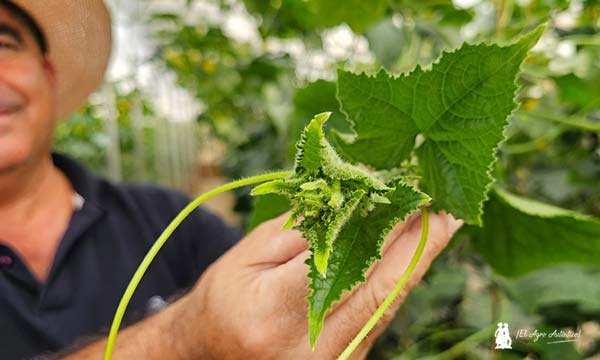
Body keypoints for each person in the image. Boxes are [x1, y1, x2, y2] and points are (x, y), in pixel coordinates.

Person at [0, 1, 463, 359]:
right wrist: (187, 339)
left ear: (48, 71)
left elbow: (277, 301)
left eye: (4, 45)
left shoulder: (168, 219)